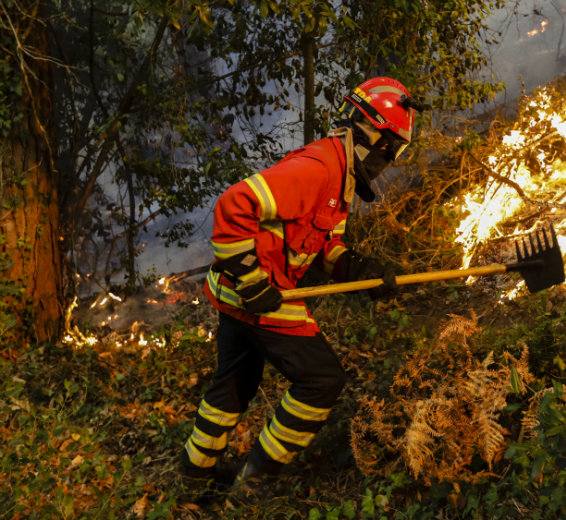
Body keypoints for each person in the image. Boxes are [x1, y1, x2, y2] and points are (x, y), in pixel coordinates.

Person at [179, 77, 421, 492]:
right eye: (393, 148)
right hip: (256, 294)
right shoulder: (319, 169)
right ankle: (255, 484)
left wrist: (358, 271)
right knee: (321, 380)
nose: (391, 160)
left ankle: (193, 478)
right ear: (377, 137)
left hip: (236, 293)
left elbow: (323, 244)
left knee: (234, 384)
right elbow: (234, 204)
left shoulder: (340, 174)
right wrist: (254, 282)